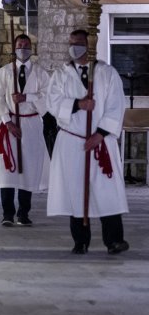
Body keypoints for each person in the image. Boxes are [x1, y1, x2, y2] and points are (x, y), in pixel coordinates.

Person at [46, 29, 129, 255]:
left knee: (106, 190)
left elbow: (115, 106)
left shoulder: (107, 73)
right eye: (72, 43)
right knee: (76, 189)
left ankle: (114, 240)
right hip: (72, 141)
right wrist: (78, 104)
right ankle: (80, 241)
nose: (75, 47)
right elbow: (52, 102)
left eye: (80, 43)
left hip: (100, 141)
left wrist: (100, 134)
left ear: (89, 44)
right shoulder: (61, 75)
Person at [0, 34, 50, 227]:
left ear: (31, 48)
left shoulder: (41, 73)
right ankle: (7, 212)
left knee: (29, 168)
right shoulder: (4, 72)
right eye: (19, 45)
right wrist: (7, 122)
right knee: (7, 169)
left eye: (26, 45)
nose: (23, 48)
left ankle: (24, 212)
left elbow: (48, 97)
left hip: (31, 124)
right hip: (9, 124)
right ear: (14, 48)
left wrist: (27, 98)